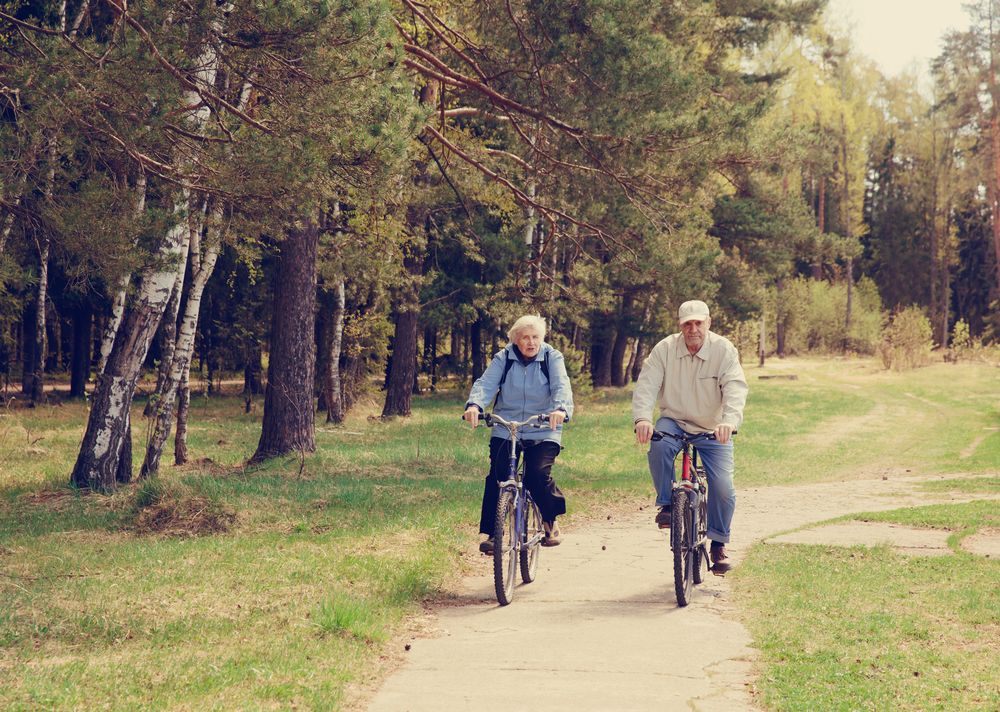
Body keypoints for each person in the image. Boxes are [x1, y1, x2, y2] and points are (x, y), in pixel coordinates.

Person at [631, 300, 748, 571]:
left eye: (698, 322)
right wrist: (643, 419)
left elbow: (735, 387)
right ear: (680, 325)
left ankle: (719, 543)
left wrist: (729, 422)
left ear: (708, 322)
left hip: (712, 427)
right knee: (658, 447)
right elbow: (647, 385)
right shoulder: (665, 349)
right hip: (674, 420)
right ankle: (667, 506)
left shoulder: (723, 349)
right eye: (687, 323)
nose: (693, 328)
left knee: (723, 487)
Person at [463, 315, 574, 554]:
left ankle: (549, 520)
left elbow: (561, 386)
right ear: (516, 340)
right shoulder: (504, 358)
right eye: (525, 337)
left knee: (536, 474)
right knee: (498, 475)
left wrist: (560, 409)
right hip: (507, 425)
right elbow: (486, 384)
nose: (531, 342)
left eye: (535, 337)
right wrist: (475, 405)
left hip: (543, 426)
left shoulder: (551, 358)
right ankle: (495, 534)